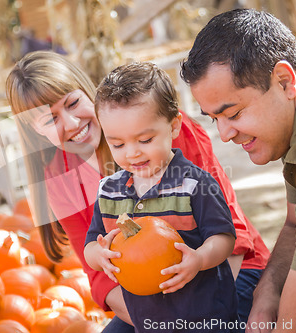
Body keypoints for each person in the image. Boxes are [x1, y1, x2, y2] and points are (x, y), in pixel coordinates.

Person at [5, 51, 269, 331]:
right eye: (50, 120)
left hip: (225, 275)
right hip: (149, 304)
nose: (71, 124)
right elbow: (99, 276)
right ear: (35, 132)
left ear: (87, 92)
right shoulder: (59, 179)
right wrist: (159, 324)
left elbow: (231, 235)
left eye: (73, 103)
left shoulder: (162, 132)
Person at [180, 8, 296, 333]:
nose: (225, 134)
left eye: (232, 113)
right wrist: (267, 290)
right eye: (212, 118)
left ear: (285, 81)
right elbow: (294, 224)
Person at [84, 62, 239, 332]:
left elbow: (223, 238)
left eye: (145, 140)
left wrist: (200, 259)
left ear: (174, 126)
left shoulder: (195, 184)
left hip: (204, 317)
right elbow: (90, 246)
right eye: (117, 144)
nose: (132, 153)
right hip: (146, 319)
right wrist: (100, 254)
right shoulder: (108, 191)